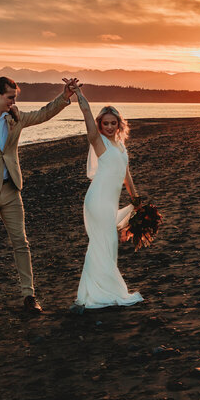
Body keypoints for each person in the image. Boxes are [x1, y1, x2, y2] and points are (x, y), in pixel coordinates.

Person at [0, 76, 78, 314]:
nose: (13, 101)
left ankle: (29, 295)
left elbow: (43, 114)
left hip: (11, 190)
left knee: (21, 243)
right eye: (11, 96)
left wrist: (65, 97)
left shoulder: (16, 117)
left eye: (15, 98)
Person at [69, 82, 143, 312]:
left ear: (119, 124)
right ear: (100, 124)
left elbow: (126, 174)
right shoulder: (99, 144)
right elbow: (89, 125)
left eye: (113, 123)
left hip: (109, 203)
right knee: (102, 243)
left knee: (108, 245)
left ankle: (93, 291)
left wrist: (136, 198)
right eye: (105, 123)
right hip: (97, 201)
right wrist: (80, 96)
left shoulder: (120, 146)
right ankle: (100, 292)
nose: (109, 127)